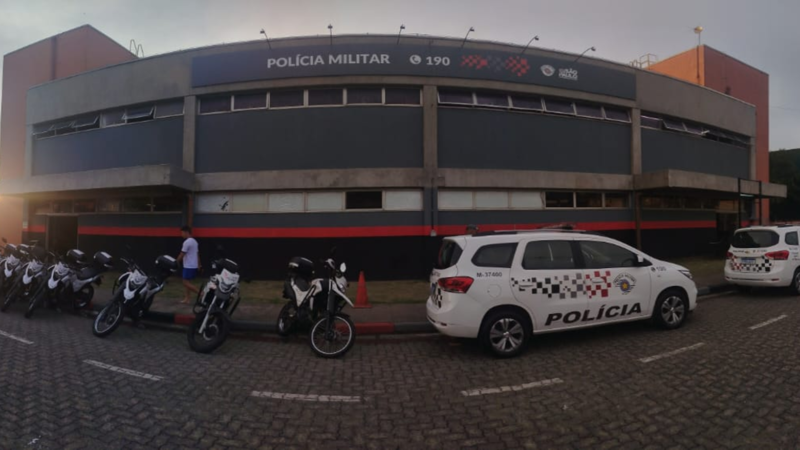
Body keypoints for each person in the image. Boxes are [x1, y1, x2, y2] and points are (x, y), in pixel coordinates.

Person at [177, 226, 201, 304]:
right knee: (188, 282)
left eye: (182, 232)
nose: (181, 234)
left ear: (186, 232)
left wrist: (176, 262)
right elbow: (197, 254)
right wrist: (199, 265)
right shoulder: (194, 241)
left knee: (185, 282)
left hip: (188, 266)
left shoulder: (187, 242)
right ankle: (187, 299)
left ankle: (202, 294)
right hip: (193, 265)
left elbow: (182, 253)